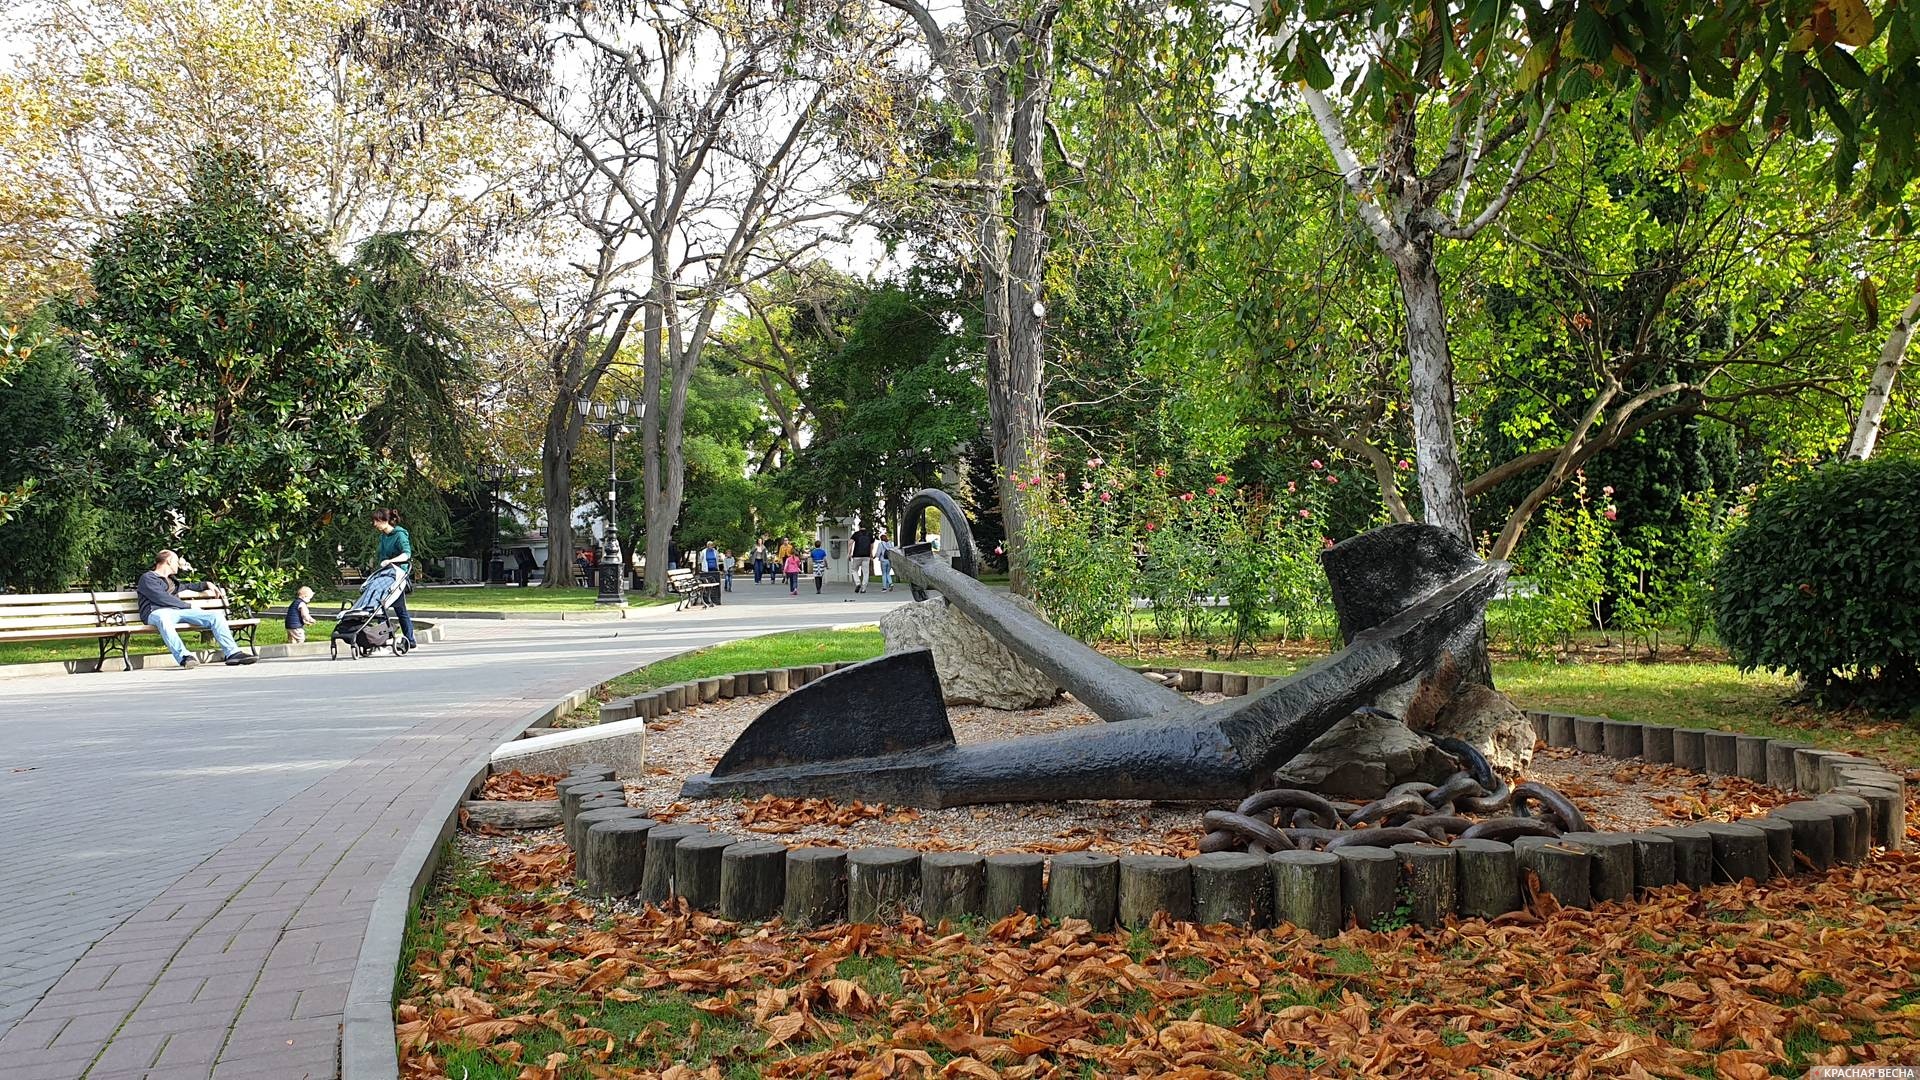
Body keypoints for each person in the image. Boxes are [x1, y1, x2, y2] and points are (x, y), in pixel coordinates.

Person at [137, 550, 257, 668]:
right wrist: (189, 606)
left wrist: (206, 584)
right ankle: (184, 657)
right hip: (156, 612)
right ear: (169, 561)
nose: (178, 565)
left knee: (215, 616)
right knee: (163, 619)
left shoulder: (171, 580)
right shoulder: (148, 578)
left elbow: (187, 586)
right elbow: (161, 598)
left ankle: (233, 653)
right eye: (176, 561)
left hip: (178, 611)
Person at [372, 508, 418, 650]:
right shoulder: (383, 536)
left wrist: (391, 561)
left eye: (376, 521)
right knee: (382, 607)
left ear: (385, 521)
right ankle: (406, 640)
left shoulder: (400, 535)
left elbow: (406, 555)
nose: (374, 524)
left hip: (397, 576)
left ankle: (389, 641)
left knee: (395, 608)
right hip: (384, 576)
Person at [849, 523, 875, 593]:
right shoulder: (869, 534)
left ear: (859, 527)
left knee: (854, 570)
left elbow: (850, 543)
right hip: (866, 556)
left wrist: (849, 553)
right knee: (866, 572)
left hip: (856, 555)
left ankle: (858, 583)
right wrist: (871, 554)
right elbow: (871, 546)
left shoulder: (856, 534)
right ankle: (863, 588)